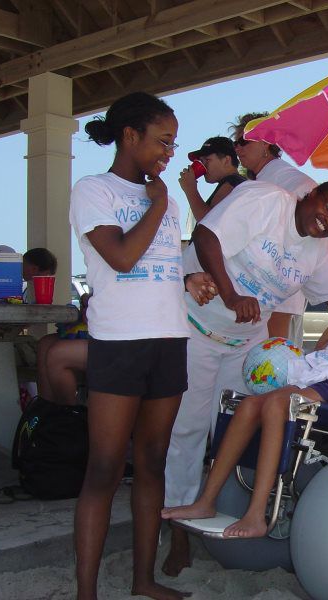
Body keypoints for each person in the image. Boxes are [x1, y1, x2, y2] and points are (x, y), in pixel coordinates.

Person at [162, 178, 328, 574]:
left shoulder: (316, 250)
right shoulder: (266, 201)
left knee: (235, 429)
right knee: (187, 430)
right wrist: (229, 295)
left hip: (245, 344)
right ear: (311, 195)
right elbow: (207, 237)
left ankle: (223, 508)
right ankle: (178, 533)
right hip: (196, 326)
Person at [162, 254, 328, 537]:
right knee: (249, 405)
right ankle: (206, 501)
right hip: (325, 380)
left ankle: (255, 515)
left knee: (279, 404)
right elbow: (324, 351)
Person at [69, 91, 215, 600]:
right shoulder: (93, 189)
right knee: (105, 468)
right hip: (119, 343)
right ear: (130, 136)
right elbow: (124, 258)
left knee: (152, 460)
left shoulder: (167, 202)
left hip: (169, 339)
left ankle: (142, 581)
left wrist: (188, 278)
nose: (169, 153)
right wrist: (157, 204)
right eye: (162, 142)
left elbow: (159, 262)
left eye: (173, 143)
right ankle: (86, 591)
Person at [231, 112, 317, 343]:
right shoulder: (264, 181)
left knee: (270, 367)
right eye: (235, 143)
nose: (237, 149)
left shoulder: (294, 182)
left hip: (279, 295)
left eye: (244, 141)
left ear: (267, 142)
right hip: (257, 293)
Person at [178, 136, 245, 224]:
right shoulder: (236, 181)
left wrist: (190, 189)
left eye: (207, 160)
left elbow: (209, 221)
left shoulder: (233, 181)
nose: (203, 164)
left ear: (226, 160)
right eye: (201, 161)